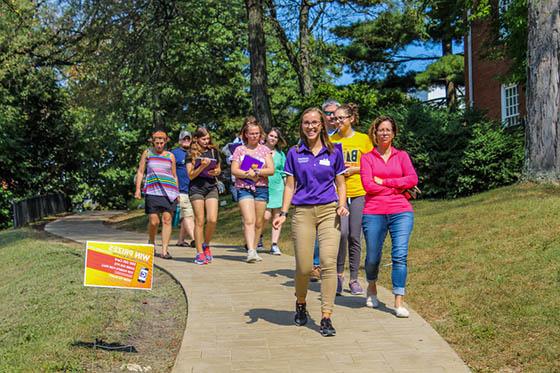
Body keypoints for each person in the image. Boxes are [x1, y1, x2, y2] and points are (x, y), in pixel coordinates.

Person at [273, 107, 349, 337]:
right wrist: (283, 213)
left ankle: (326, 316)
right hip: (302, 212)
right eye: (306, 122)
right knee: (305, 267)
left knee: (328, 262)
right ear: (302, 126)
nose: (311, 126)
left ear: (322, 124)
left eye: (315, 122)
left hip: (329, 211)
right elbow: (289, 186)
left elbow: (341, 183)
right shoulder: (295, 153)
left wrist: (342, 204)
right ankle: (301, 302)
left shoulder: (334, 150)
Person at [360, 115, 418, 318]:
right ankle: (372, 285)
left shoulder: (402, 156)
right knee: (373, 257)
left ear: (393, 133)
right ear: (374, 134)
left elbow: (412, 179)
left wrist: (384, 183)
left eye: (388, 130)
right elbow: (368, 185)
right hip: (374, 212)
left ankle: (398, 301)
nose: (384, 133)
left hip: (401, 210)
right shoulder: (367, 158)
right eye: (380, 130)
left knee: (400, 255)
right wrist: (397, 185)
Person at [330, 103, 373, 296]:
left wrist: (354, 169)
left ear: (351, 119)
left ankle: (354, 279)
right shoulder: (331, 140)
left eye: (341, 118)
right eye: (335, 118)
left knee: (355, 235)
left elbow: (373, 165)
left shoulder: (363, 140)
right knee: (342, 234)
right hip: (339, 193)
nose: (337, 121)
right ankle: (339, 276)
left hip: (358, 192)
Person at [231, 117, 275, 263]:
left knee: (259, 222)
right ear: (246, 134)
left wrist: (257, 172)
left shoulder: (265, 150)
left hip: (261, 188)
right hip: (244, 188)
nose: (254, 136)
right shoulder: (239, 150)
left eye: (257, 133)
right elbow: (234, 170)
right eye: (251, 133)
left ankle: (255, 249)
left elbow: (271, 170)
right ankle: (250, 250)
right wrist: (247, 174)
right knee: (249, 220)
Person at [310, 99, 341, 282]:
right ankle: (315, 265)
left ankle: (332, 267)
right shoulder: (314, 134)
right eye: (328, 113)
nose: (331, 116)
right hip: (315, 192)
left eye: (334, 113)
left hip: (340, 189)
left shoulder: (341, 135)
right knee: (316, 230)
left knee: (337, 232)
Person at [134, 130, 179, 259]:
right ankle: (151, 242)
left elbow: (174, 175)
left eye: (162, 142)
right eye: (157, 142)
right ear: (153, 142)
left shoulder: (170, 156)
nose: (159, 145)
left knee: (167, 220)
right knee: (154, 221)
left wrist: (177, 191)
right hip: (152, 191)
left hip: (169, 192)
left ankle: (164, 250)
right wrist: (138, 189)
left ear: (165, 142)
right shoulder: (147, 153)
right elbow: (141, 171)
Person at [187, 127, 222, 265]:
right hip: (196, 188)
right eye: (204, 139)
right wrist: (201, 167)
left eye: (208, 138)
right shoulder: (190, 153)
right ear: (196, 139)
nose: (207, 141)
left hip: (211, 186)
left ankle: (206, 244)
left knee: (212, 219)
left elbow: (219, 169)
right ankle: (199, 252)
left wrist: (216, 171)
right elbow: (190, 175)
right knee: (199, 220)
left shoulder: (213, 151)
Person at [263, 127, 287, 255]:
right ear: (266, 136)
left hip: (278, 187)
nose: (273, 138)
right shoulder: (259, 150)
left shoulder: (281, 154)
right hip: (263, 185)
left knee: (277, 216)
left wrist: (287, 188)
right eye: (271, 136)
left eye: (276, 137)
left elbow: (284, 173)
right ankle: (258, 236)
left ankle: (274, 244)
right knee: (265, 216)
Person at [171, 130, 196, 248]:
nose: (186, 141)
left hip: (193, 189)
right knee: (187, 215)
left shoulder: (194, 153)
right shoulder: (174, 153)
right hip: (180, 190)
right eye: (184, 139)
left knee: (190, 215)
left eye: (188, 139)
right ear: (179, 141)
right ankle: (196, 239)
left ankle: (181, 240)